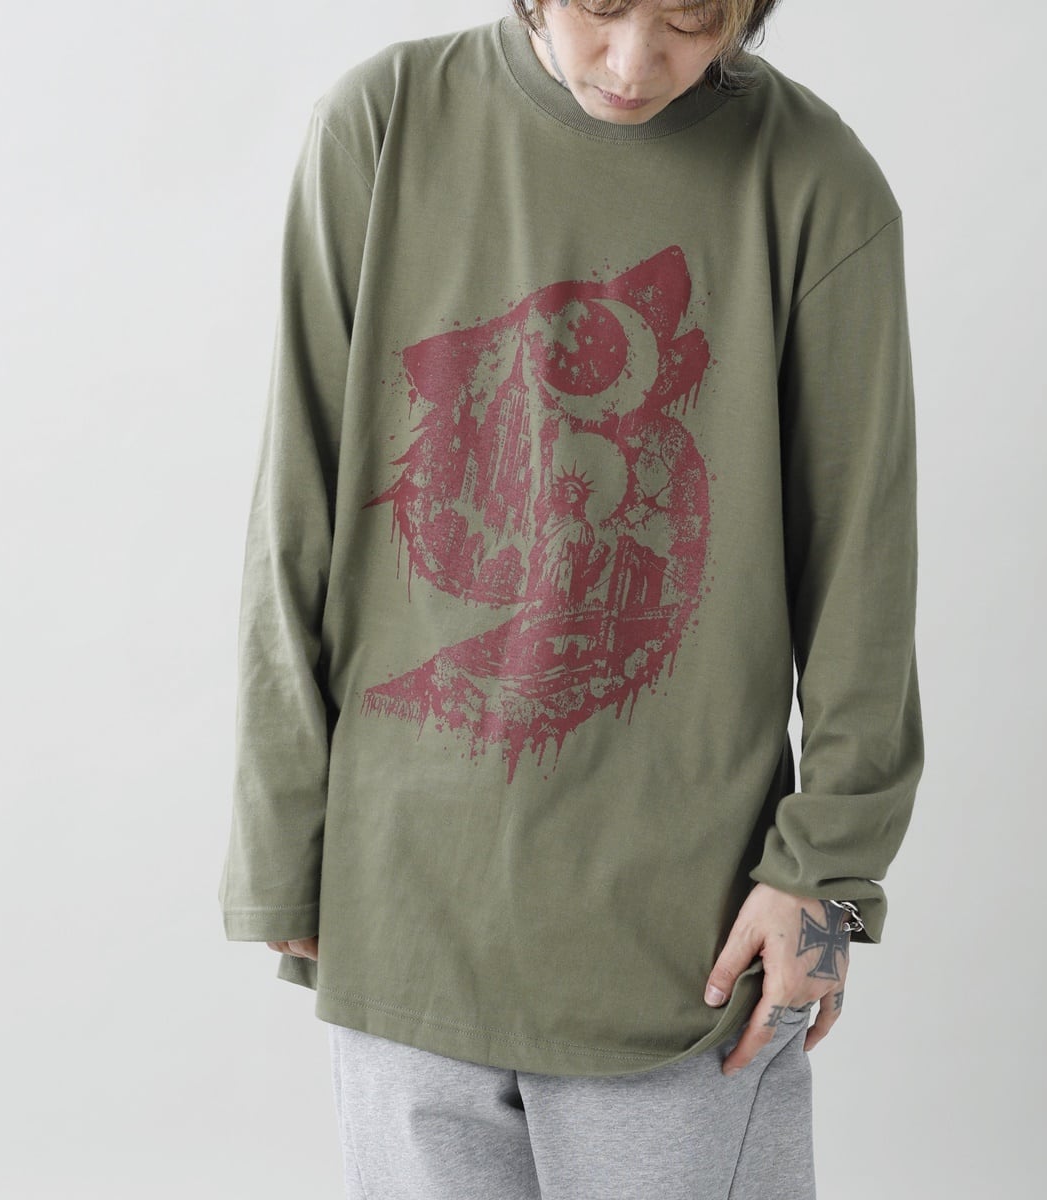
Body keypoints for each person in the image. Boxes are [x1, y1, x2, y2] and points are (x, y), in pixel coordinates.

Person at [217, 1, 925, 1195]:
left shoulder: (816, 186)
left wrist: (824, 880)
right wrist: (282, 843)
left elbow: (863, 562)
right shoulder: (383, 126)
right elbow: (300, 503)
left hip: (685, 948)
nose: (636, 61)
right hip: (406, 912)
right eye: (601, 6)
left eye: (692, 20)